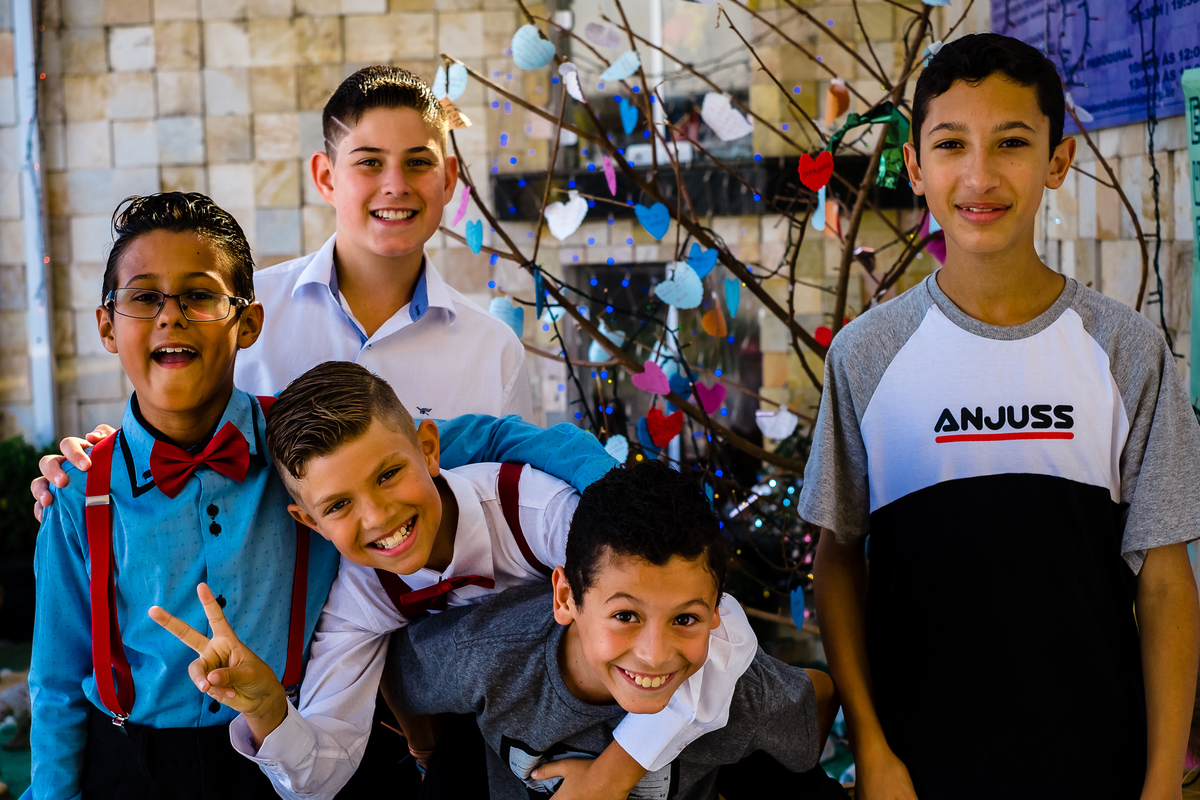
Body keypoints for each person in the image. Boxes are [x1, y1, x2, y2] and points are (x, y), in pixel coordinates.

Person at [26, 194, 626, 800]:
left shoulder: (310, 450)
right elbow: (55, 680)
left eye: (200, 296)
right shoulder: (79, 492)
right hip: (134, 765)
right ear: (107, 325)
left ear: (249, 322)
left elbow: (491, 435)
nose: (170, 316)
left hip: (290, 738)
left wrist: (622, 499)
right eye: (144, 296)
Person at [801, 33, 1200, 800]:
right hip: (918, 774)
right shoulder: (866, 355)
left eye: (1012, 142)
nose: (980, 176)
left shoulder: (1128, 350)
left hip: (1099, 768)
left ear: (1057, 159)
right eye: (951, 144)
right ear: (915, 166)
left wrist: (1161, 782)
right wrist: (873, 754)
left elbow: (1165, 581)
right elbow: (839, 556)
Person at [150, 361, 760, 800]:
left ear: (429, 448)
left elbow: (717, 622)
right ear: (307, 522)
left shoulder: (540, 511)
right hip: (500, 738)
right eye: (338, 506)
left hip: (629, 698)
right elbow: (323, 774)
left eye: (390, 474)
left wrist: (611, 775)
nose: (379, 517)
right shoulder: (357, 600)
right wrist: (267, 711)